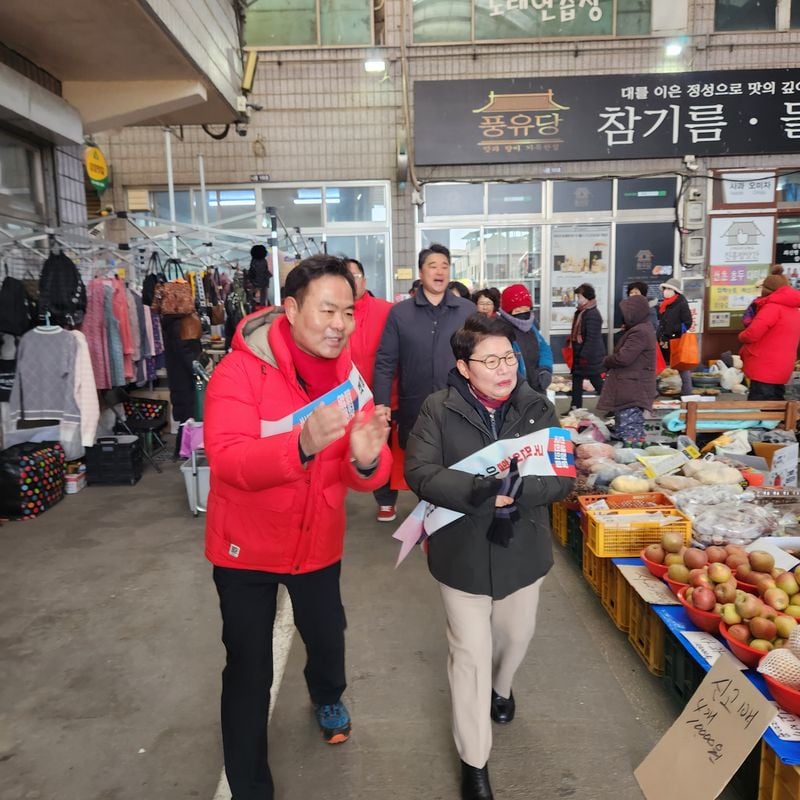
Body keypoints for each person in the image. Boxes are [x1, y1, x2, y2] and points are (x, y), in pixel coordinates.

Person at [203, 254, 392, 800]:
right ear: (290, 309)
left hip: (318, 540)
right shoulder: (239, 372)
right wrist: (302, 444)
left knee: (327, 636)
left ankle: (327, 694)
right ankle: (249, 786)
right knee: (248, 668)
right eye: (327, 310)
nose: (340, 324)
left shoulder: (350, 378)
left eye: (348, 312)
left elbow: (366, 470)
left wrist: (365, 461)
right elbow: (230, 461)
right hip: (246, 548)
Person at [404, 314, 573, 800]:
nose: (504, 369)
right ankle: (474, 761)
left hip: (523, 548)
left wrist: (519, 489)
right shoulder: (437, 409)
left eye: (509, 358)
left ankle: (504, 686)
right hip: (462, 554)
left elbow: (563, 478)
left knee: (516, 636)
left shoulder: (537, 406)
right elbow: (420, 472)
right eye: (491, 360)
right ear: (464, 366)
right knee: (469, 657)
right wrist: (481, 489)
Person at [373, 244, 474, 521]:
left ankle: (451, 518)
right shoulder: (400, 313)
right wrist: (381, 403)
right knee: (423, 466)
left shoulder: (467, 311)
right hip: (415, 407)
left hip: (460, 405)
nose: (439, 271)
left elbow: (480, 354)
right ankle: (430, 517)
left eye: (444, 265)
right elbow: (385, 361)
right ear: (421, 272)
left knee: (458, 462)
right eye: (432, 265)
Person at [343, 257, 397, 517]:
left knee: (380, 444)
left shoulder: (387, 311)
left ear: (364, 280)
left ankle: (385, 499)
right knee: (337, 449)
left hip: (382, 394)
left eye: (354, 276)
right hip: (343, 396)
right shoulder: (333, 313)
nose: (350, 282)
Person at [597, 294, 657, 444]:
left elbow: (623, 358)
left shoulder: (639, 332)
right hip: (631, 387)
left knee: (630, 435)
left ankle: (632, 456)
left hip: (632, 389)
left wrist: (606, 360)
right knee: (627, 431)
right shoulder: (642, 328)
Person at [739, 265, 800, 400]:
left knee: (760, 405)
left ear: (766, 290)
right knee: (776, 403)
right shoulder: (794, 310)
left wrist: (742, 336)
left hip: (764, 366)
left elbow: (752, 333)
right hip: (783, 365)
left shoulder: (772, 308)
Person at [497, 283, 553, 393]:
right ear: (508, 311)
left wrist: (545, 369)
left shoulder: (532, 327)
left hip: (536, 386)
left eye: (526, 309)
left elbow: (544, 348)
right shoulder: (500, 330)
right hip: (513, 390)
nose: (523, 314)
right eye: (517, 311)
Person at [569, 282, 605, 409]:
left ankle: (613, 406)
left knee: (596, 381)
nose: (577, 299)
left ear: (587, 297)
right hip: (580, 354)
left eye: (579, 296)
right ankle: (575, 407)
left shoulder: (592, 314)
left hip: (589, 356)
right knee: (576, 380)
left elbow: (592, 339)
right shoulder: (580, 312)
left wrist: (584, 356)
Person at [656, 277, 693, 396]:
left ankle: (687, 392)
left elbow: (687, 322)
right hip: (664, 339)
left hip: (676, 339)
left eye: (669, 289)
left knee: (681, 365)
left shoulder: (681, 303)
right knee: (657, 363)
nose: (666, 291)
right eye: (665, 289)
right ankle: (654, 390)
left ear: (675, 291)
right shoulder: (665, 304)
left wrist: (672, 332)